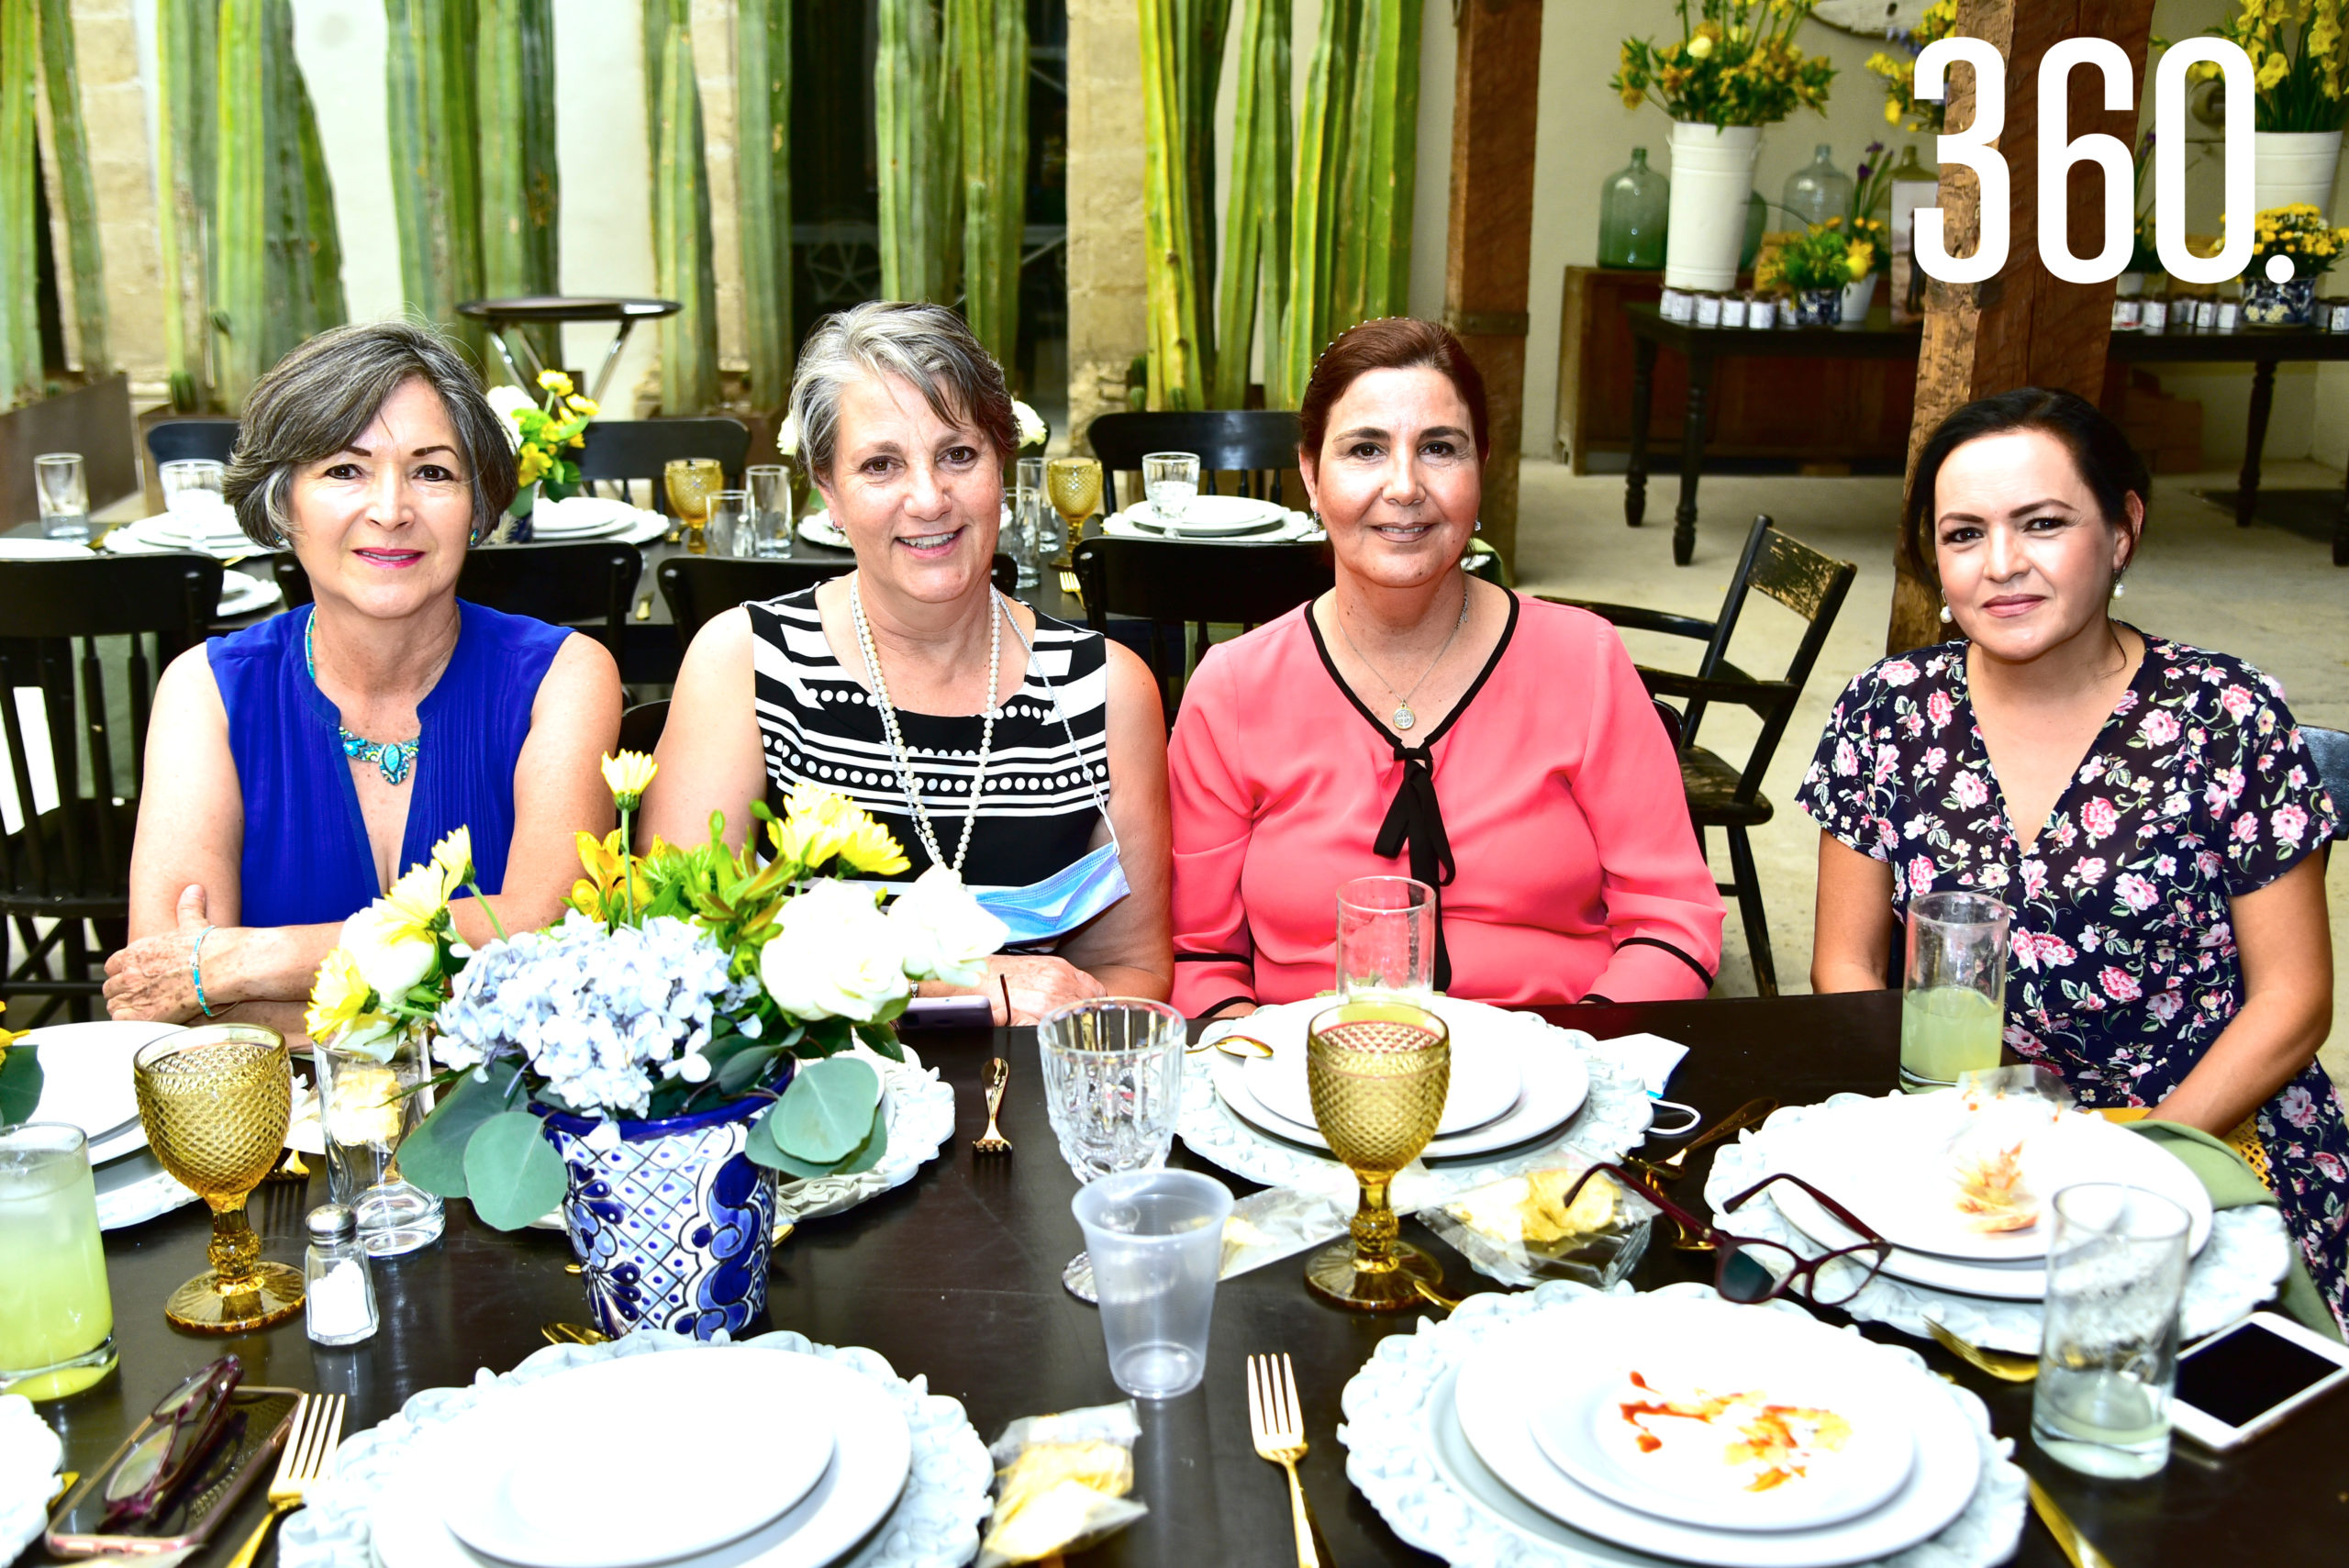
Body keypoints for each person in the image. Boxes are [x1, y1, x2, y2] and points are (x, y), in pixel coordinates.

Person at [1802, 386, 2344, 1333]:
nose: (2001, 565)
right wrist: (1945, 1141)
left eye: (2043, 523)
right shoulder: (1885, 710)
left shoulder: (2225, 716)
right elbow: (1842, 966)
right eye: (1963, 534)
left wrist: (2141, 1157)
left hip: (2200, 1130)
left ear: (2122, 528)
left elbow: (2292, 1000)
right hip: (1958, 1144)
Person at [1166, 317, 1723, 1017]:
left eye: (1439, 448)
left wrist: (1574, 1061)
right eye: (1365, 449)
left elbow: (1671, 920)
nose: (1404, 486)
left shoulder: (1586, 662)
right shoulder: (1233, 689)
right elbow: (1199, 954)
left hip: (1556, 1068)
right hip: (1312, 1088)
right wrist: (1273, 1081)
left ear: (1481, 465)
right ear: (1310, 473)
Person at [641, 301, 1171, 1024]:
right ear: (827, 489)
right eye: (881, 464)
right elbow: (686, 946)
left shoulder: (1103, 689)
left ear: (1002, 466)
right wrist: (953, 990)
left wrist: (1061, 1001)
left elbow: (1135, 967)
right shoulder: (747, 664)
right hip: (809, 1106)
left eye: (959, 454)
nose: (928, 498)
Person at [103, 322, 624, 1039]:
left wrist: (247, 962)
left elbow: (547, 937)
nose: (390, 509)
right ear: (283, 503)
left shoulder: (562, 677)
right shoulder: (205, 693)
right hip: (272, 1132)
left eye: (432, 471)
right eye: (344, 470)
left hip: (501, 1132)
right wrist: (469, 970)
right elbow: (167, 1003)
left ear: (479, 507)